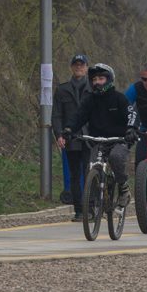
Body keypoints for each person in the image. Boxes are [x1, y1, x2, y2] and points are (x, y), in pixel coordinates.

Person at [61, 63, 137, 199]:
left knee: (116, 157)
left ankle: (123, 186)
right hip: (98, 141)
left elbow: (131, 114)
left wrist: (131, 129)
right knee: (91, 167)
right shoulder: (89, 100)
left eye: (101, 79)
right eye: (94, 79)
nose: (97, 82)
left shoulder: (119, 98)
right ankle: (93, 204)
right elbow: (78, 116)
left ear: (109, 80)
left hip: (119, 140)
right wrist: (69, 129)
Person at [52, 54, 91, 219]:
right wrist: (59, 134)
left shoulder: (93, 88)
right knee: (75, 174)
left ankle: (92, 208)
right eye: (76, 65)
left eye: (81, 65)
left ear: (87, 68)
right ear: (71, 67)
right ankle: (79, 210)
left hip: (90, 138)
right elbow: (57, 115)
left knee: (90, 173)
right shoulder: (62, 90)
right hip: (71, 137)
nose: (78, 67)